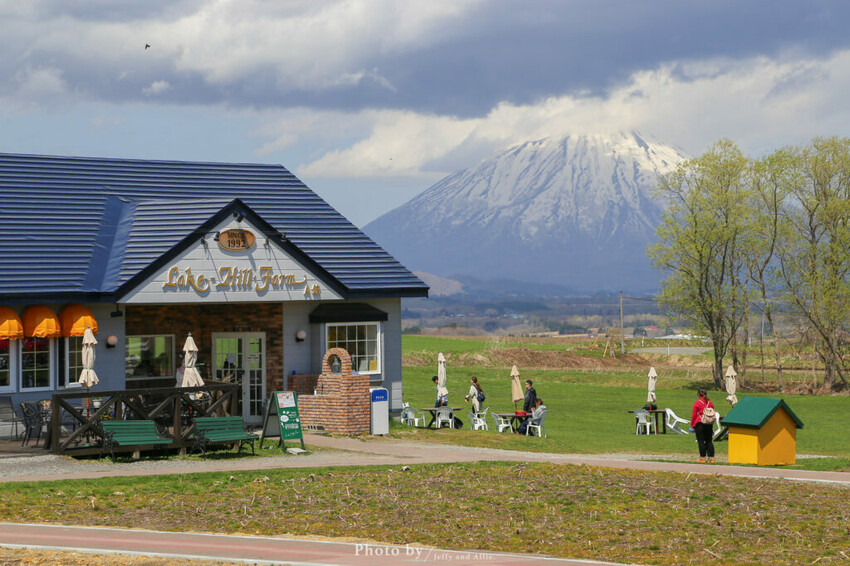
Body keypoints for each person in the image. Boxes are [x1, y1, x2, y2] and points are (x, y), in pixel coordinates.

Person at [691, 388, 715, 463]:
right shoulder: (710, 403)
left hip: (700, 422)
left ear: (698, 394)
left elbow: (694, 415)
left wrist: (692, 424)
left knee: (701, 441)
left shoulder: (697, 403)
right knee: (709, 441)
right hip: (709, 423)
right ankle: (711, 458)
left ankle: (702, 458)